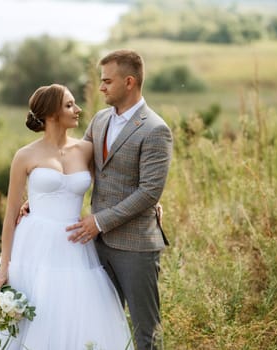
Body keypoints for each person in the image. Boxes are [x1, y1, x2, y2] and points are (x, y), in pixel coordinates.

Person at [0, 84, 133, 350]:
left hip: (75, 244)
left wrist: (152, 204)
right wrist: (4, 265)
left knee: (73, 316)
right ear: (51, 114)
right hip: (34, 246)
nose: (77, 109)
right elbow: (11, 213)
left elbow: (118, 182)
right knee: (33, 317)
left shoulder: (86, 150)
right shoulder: (25, 156)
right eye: (69, 105)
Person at [66, 49, 173, 350]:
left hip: (136, 247)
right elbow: (76, 162)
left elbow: (150, 192)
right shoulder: (99, 120)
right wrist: (38, 198)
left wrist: (99, 222)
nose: (101, 88)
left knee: (145, 332)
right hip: (97, 246)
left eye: (106, 81)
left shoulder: (155, 129)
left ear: (129, 82)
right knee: (99, 324)